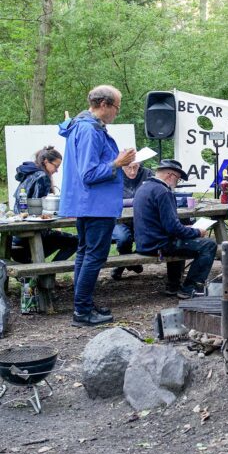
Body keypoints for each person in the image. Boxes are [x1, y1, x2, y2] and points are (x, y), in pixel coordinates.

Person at [58, 85, 136, 327]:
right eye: (116, 107)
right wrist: (117, 163)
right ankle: (81, 311)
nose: (117, 113)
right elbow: (89, 173)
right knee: (93, 257)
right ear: (104, 104)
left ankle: (84, 304)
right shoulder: (90, 130)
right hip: (96, 204)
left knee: (84, 254)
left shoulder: (80, 125)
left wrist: (115, 161)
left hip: (87, 203)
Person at [133, 160, 217, 299]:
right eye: (178, 179)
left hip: (145, 242)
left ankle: (173, 286)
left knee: (181, 239)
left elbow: (163, 224)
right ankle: (190, 288)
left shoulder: (143, 188)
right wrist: (197, 231)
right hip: (158, 245)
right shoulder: (163, 192)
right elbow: (172, 228)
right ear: (170, 175)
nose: (177, 183)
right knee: (208, 245)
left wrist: (185, 229)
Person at [11, 146, 79, 264]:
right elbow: (42, 210)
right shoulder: (42, 177)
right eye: (56, 166)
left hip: (17, 236)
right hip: (31, 235)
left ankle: (41, 273)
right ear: (46, 162)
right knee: (75, 241)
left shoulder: (29, 173)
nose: (57, 170)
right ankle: (48, 273)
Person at [110, 161, 154, 280]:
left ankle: (123, 265)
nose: (133, 171)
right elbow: (109, 201)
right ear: (122, 166)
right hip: (118, 219)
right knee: (123, 238)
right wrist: (136, 201)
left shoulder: (148, 174)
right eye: (128, 168)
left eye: (135, 167)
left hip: (142, 218)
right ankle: (132, 262)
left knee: (151, 237)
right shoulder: (114, 175)